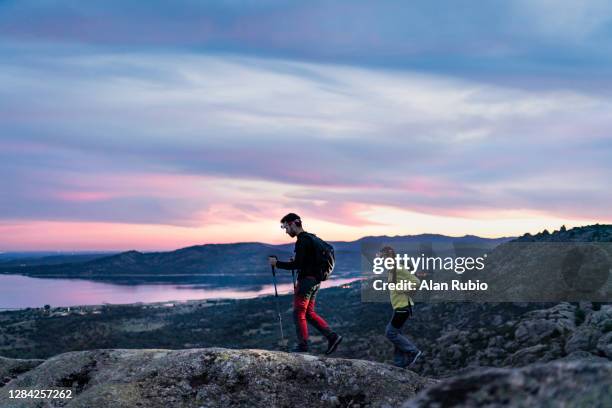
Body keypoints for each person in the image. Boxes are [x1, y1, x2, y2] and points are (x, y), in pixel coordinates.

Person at [268, 213, 342, 354]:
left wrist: (276, 264)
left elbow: (297, 264)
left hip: (306, 282)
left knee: (298, 313)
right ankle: (333, 337)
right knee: (308, 313)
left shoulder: (302, 240)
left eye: (286, 227)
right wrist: (297, 263)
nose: (286, 231)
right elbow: (305, 262)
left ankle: (303, 346)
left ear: (292, 224)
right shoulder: (312, 238)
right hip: (315, 281)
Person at [380, 245, 422, 368]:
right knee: (397, 333)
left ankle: (413, 351)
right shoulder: (392, 269)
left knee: (390, 333)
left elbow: (417, 282)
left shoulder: (398, 268)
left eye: (385, 257)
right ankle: (399, 362)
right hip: (399, 307)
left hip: (403, 307)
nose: (383, 260)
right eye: (382, 258)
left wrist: (399, 289)